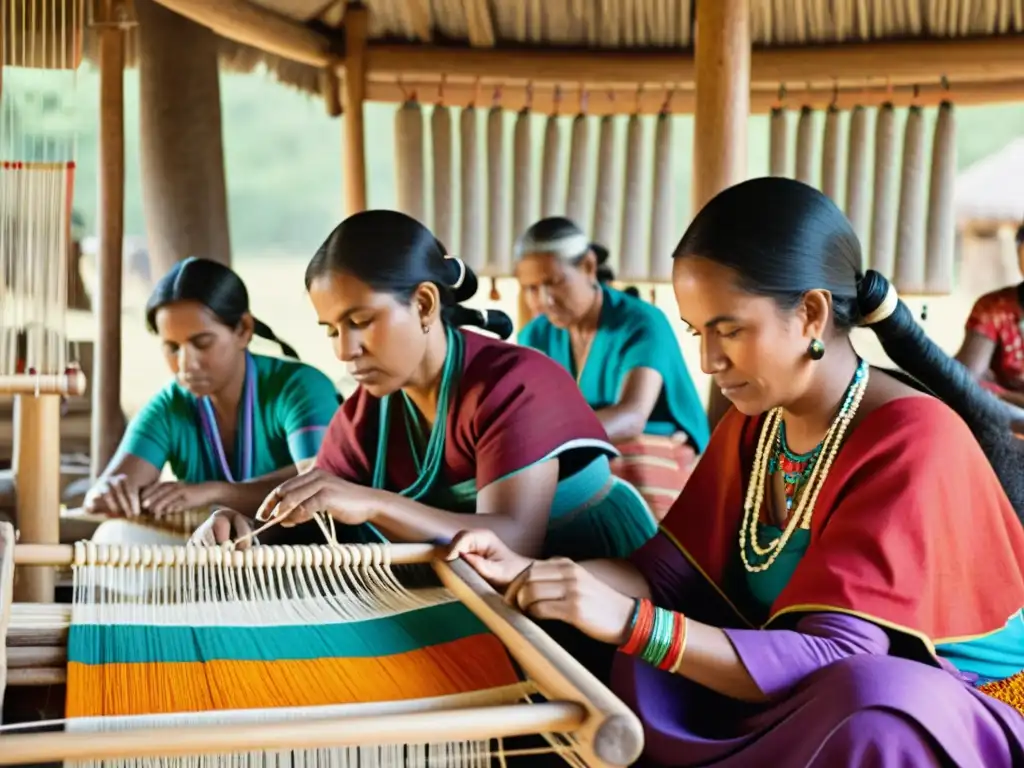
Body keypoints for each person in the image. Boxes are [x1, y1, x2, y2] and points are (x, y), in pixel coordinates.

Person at [447, 178, 1024, 766]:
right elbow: (662, 577)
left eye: (729, 330)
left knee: (871, 705)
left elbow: (841, 654)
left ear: (811, 314)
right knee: (604, 650)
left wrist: (628, 621)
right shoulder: (758, 423)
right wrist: (533, 574)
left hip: (959, 700)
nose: (707, 361)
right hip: (802, 686)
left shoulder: (912, 436)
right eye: (699, 332)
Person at [214, 210, 658, 561]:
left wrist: (374, 504)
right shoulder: (369, 412)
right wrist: (242, 531)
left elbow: (515, 542)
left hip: (595, 575)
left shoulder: (514, 384)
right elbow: (318, 512)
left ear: (424, 304)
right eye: (332, 330)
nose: (345, 351)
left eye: (361, 322)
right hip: (479, 589)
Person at [84, 257, 341, 544]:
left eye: (202, 343)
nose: (185, 364)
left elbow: (320, 483)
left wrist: (215, 493)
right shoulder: (170, 407)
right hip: (219, 571)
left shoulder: (300, 387)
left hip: (307, 565)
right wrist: (111, 493)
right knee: (114, 537)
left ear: (243, 329)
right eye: (172, 347)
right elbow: (100, 495)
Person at [515, 217, 710, 519]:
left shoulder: (641, 322)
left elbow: (631, 417)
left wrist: (546, 441)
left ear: (588, 267)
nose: (544, 300)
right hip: (590, 455)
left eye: (554, 282)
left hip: (653, 462)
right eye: (531, 288)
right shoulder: (536, 334)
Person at [956, 224, 1024, 428]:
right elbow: (967, 380)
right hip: (1008, 420)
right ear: (1018, 254)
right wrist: (1010, 398)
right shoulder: (994, 308)